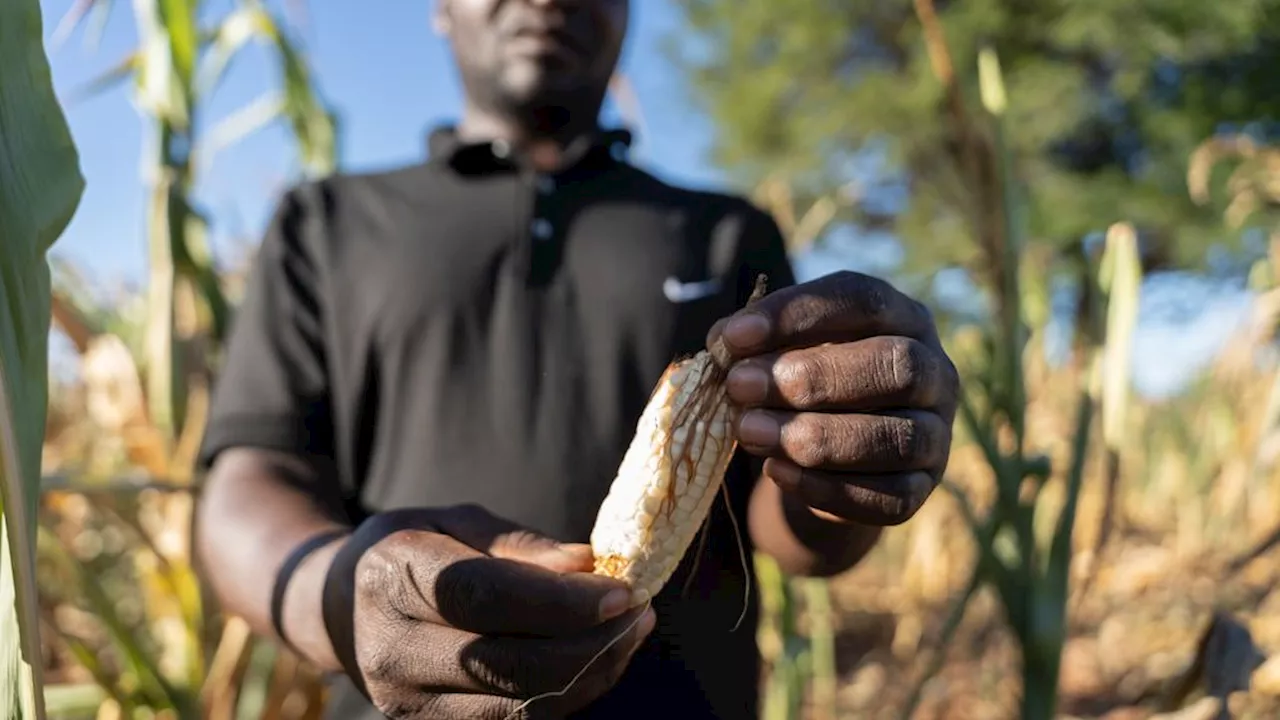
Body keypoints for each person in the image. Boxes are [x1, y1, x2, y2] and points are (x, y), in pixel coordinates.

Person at [193, 0, 960, 718]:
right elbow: (246, 487)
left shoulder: (726, 232)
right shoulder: (325, 225)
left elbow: (788, 525)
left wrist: (850, 468)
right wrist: (332, 601)